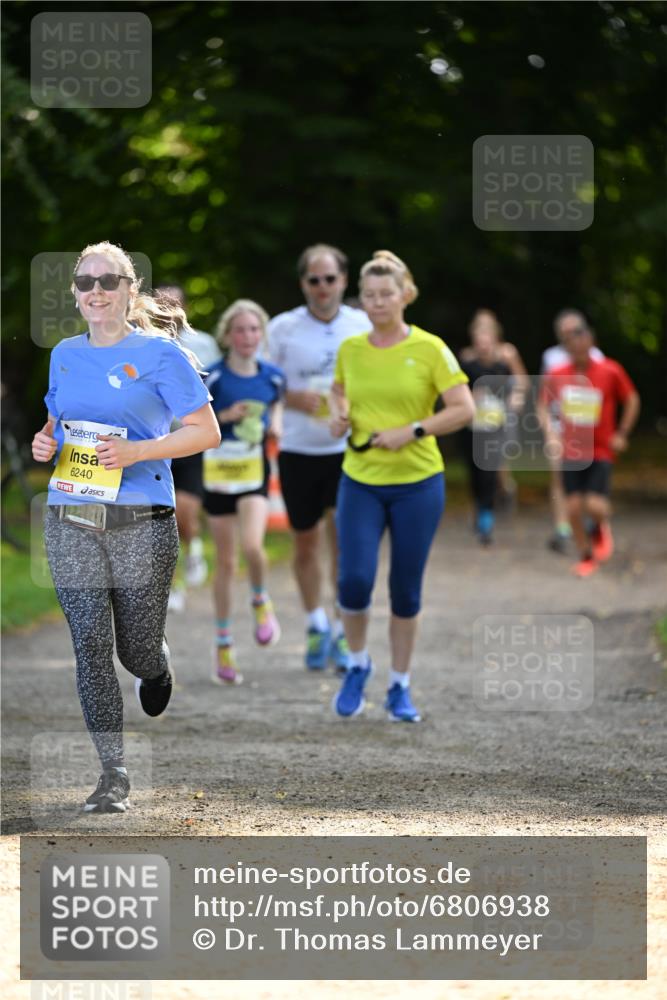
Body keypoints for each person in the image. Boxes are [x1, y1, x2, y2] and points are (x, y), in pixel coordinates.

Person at [31, 241, 220, 814]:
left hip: (143, 515)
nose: (95, 291)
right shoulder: (64, 353)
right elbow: (58, 422)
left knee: (133, 649)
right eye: (85, 282)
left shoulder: (163, 355)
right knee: (90, 643)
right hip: (73, 510)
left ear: (129, 290)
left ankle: (154, 662)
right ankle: (112, 773)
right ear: (74, 292)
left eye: (108, 281)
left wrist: (137, 451)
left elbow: (205, 432)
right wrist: (47, 441)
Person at [329, 250, 475, 722]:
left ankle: (399, 686)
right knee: (353, 581)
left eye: (385, 294)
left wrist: (412, 430)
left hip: (417, 483)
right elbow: (339, 389)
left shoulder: (430, 348)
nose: (376, 303)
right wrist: (338, 412)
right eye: (368, 296)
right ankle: (357, 664)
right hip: (361, 479)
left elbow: (463, 408)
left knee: (405, 589)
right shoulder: (351, 348)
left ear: (405, 295)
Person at [268, 244, 369, 672]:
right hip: (299, 450)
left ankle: (346, 632)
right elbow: (258, 383)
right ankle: (316, 624)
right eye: (315, 280)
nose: (323, 287)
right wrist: (291, 397)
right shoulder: (282, 328)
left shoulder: (363, 324)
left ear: (344, 281)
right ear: (303, 283)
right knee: (306, 542)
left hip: (348, 451)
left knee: (345, 544)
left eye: (330, 279)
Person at [203, 299, 286, 685]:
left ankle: (259, 599)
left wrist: (276, 426)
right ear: (227, 335)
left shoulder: (272, 376)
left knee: (253, 547)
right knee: (225, 561)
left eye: (254, 329)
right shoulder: (213, 377)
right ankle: (223, 644)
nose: (248, 337)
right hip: (218, 474)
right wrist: (225, 416)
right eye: (240, 330)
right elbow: (193, 421)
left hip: (253, 471)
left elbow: (278, 406)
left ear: (262, 334)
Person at [538, 310, 640, 578]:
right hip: (571, 450)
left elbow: (631, 399)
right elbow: (542, 406)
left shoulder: (610, 370)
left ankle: (600, 526)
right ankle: (586, 555)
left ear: (591, 344)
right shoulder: (558, 374)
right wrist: (551, 434)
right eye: (573, 347)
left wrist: (622, 433)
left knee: (594, 504)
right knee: (572, 507)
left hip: (601, 448)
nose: (578, 351)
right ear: (568, 350)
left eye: (583, 345)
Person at [155, 286, 222, 611]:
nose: (167, 308)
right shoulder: (146, 344)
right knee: (164, 519)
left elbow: (217, 388)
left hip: (191, 440)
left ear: (184, 306)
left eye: (173, 302)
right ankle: (174, 587)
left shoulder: (203, 344)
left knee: (185, 514)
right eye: (161, 303)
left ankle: (194, 548)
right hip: (156, 443)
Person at [541, 309, 605, 554]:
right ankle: (562, 528)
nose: (570, 336)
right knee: (558, 476)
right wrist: (549, 432)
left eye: (574, 331)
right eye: (564, 332)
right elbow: (544, 396)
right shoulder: (552, 357)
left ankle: (588, 524)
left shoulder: (596, 356)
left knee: (588, 482)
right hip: (561, 424)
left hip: (588, 428)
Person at [459, 311, 526, 545]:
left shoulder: (507, 355)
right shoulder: (466, 359)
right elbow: (456, 388)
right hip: (474, 424)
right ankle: (481, 508)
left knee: (492, 465)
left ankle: (488, 513)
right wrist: (470, 396)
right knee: (475, 469)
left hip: (499, 422)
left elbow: (522, 382)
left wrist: (514, 398)